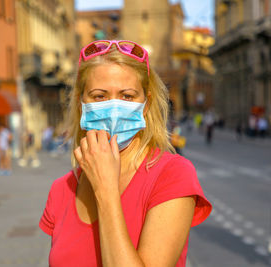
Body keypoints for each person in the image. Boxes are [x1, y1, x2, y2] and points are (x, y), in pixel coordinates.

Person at [39, 40, 212, 267]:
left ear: (146, 104)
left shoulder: (172, 175)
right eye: (100, 96)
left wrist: (105, 189)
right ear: (82, 103)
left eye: (127, 96)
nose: (113, 108)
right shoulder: (62, 189)